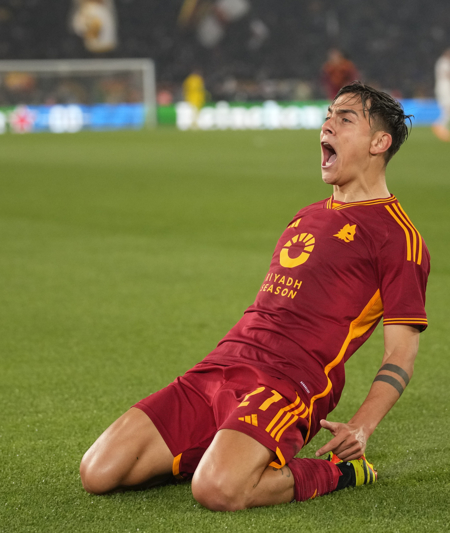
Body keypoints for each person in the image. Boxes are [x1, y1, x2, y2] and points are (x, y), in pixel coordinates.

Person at [79, 82, 430, 511]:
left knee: (217, 490)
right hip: (222, 364)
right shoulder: (306, 216)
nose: (327, 126)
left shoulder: (398, 237)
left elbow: (401, 353)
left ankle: (340, 473)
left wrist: (362, 425)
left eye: (345, 119)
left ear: (379, 143)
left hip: (288, 383)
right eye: (327, 117)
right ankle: (224, 448)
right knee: (98, 472)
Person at [432, 48, 450, 142]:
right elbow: (447, 74)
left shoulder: (442, 62)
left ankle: (442, 128)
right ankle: (440, 127)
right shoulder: (445, 62)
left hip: (446, 88)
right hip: (445, 88)